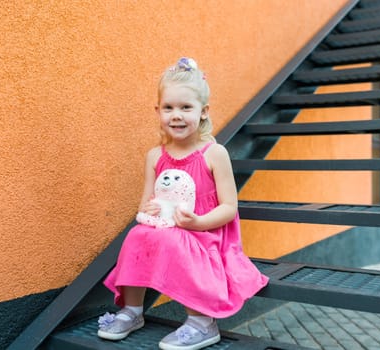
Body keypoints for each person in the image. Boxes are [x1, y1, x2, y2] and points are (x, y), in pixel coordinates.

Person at [97, 57, 269, 350]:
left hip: (205, 233)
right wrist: (148, 211)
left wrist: (198, 222)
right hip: (168, 226)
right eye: (169, 108)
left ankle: (203, 322)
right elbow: (146, 205)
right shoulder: (155, 156)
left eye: (186, 108)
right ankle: (133, 311)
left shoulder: (214, 154)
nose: (176, 115)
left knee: (177, 242)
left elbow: (229, 207)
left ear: (203, 112)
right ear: (158, 111)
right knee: (137, 235)